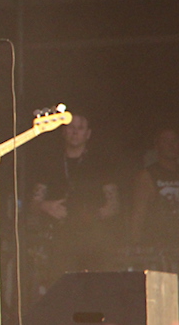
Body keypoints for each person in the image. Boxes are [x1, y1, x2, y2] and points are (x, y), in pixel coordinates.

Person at [27, 113, 119, 290]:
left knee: (96, 288)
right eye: (71, 128)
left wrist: (92, 215)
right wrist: (45, 206)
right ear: (63, 132)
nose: (75, 132)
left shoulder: (99, 163)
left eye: (80, 128)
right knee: (62, 289)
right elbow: (33, 204)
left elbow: (114, 206)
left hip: (93, 240)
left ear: (88, 134)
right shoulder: (50, 162)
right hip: (60, 239)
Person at [129, 128, 179, 249]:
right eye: (165, 141)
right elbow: (138, 214)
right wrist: (135, 245)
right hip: (159, 245)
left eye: (174, 141)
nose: (171, 145)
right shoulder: (147, 175)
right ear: (157, 145)